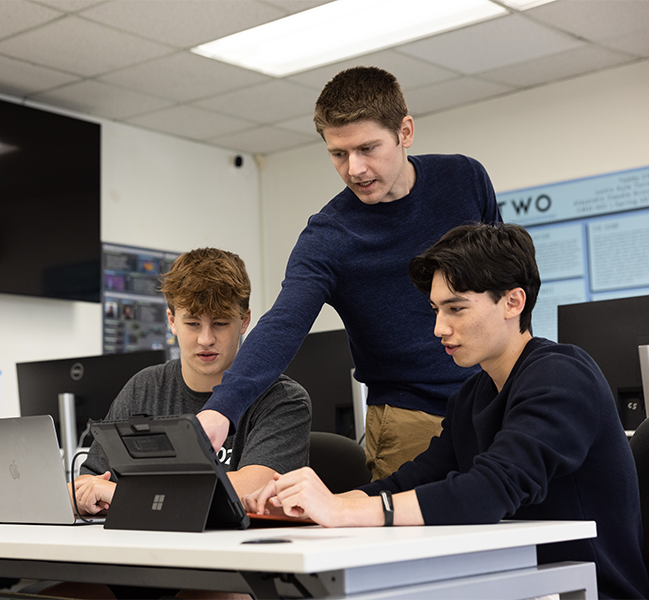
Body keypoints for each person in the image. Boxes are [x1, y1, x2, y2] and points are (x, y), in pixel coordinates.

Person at [244, 222, 649, 600]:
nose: (439, 328)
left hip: (581, 589)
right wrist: (315, 506)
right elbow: (410, 481)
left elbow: (489, 492)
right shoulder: (473, 393)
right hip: (513, 582)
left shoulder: (562, 375)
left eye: (456, 309)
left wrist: (342, 510)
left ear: (513, 302)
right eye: (436, 310)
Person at [197, 66, 501, 481]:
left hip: (496, 399)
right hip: (410, 418)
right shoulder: (329, 236)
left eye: (367, 148)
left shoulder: (464, 179)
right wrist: (221, 410)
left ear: (405, 132)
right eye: (338, 154)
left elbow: (506, 281)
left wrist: (523, 374)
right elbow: (284, 323)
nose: (354, 168)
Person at [74, 247, 311, 516]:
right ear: (172, 321)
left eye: (220, 323)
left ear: (244, 320)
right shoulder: (144, 388)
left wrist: (124, 493)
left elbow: (254, 489)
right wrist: (82, 495)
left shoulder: (283, 399)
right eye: (193, 324)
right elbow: (87, 482)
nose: (205, 339)